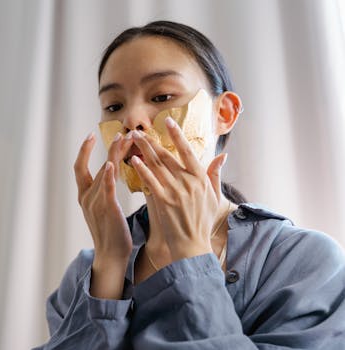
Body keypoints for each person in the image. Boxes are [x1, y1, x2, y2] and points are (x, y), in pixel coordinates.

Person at [33, 21, 345, 349]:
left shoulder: (306, 263)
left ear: (223, 113)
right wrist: (109, 265)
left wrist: (191, 258)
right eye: (114, 106)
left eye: (161, 96)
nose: (130, 121)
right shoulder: (86, 274)